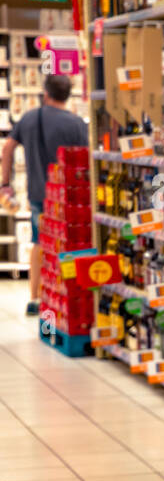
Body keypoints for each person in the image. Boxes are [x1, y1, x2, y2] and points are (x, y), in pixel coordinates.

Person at [0, 74, 89, 315]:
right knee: (67, 243)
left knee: (39, 243)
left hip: (40, 193)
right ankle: (64, 294)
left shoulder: (30, 118)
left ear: (45, 93)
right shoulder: (77, 124)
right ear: (68, 95)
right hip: (69, 197)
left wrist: (5, 183)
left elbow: (7, 148)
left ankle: (35, 298)